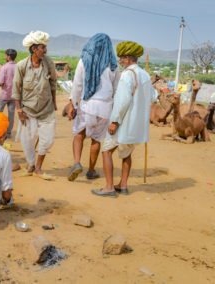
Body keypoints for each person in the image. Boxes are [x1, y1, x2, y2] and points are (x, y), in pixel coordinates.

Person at [91, 41, 157, 198]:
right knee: (126, 153)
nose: (120, 61)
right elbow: (153, 96)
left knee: (106, 151)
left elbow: (122, 101)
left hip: (124, 124)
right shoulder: (145, 75)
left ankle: (109, 188)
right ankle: (123, 185)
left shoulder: (127, 75)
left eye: (121, 58)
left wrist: (114, 122)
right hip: (137, 126)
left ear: (128, 58)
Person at [67, 33, 120, 181]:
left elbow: (77, 85)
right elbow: (116, 90)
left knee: (79, 134)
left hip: (87, 105)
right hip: (105, 109)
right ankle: (91, 170)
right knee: (96, 139)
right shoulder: (114, 66)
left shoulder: (84, 61)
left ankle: (76, 162)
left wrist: (72, 104)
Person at [12, 31, 57, 180]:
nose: (45, 50)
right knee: (27, 140)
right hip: (27, 110)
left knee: (48, 140)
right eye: (42, 48)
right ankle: (32, 166)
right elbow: (16, 88)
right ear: (33, 49)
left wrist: (54, 103)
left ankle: (38, 167)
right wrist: (19, 110)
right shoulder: (22, 66)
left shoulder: (49, 63)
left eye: (45, 48)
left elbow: (53, 84)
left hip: (46, 108)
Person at [0, 49, 17, 138]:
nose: (5, 57)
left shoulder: (4, 67)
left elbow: (0, 82)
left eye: (5, 55)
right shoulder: (18, 67)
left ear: (8, 56)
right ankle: (8, 133)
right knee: (11, 114)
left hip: (4, 94)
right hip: (14, 95)